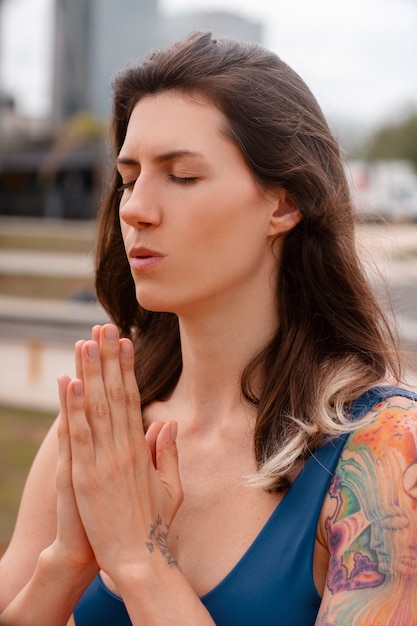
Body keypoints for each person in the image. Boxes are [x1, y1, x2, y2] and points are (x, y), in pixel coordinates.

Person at [0, 30, 416, 626]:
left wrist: (139, 563)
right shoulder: (103, 430)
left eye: (183, 176)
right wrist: (68, 562)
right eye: (130, 175)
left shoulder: (382, 453)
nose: (135, 207)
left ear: (283, 204)